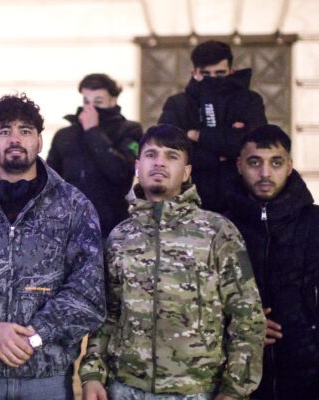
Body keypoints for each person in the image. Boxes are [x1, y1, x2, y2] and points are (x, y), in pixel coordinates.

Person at [0, 93, 106, 400]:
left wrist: (36, 336)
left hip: (46, 377)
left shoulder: (73, 207)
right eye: (5, 131)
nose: (15, 139)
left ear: (39, 142)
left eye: (25, 131)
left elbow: (89, 292)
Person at [80, 124, 265, 400]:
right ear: (137, 167)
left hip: (197, 391)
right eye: (151, 154)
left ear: (186, 172)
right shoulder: (120, 237)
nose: (159, 162)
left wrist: (234, 391)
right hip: (126, 389)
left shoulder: (218, 233)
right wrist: (93, 374)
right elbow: (107, 314)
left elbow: (247, 316)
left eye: (171, 156)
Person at [225, 125, 319, 400]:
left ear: (289, 166)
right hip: (240, 379)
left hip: (309, 377)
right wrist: (244, 324)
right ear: (240, 165)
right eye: (255, 163)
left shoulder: (314, 224)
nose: (265, 173)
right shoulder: (222, 229)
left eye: (276, 163)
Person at [159, 40, 267, 213]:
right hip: (188, 203)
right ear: (194, 73)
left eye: (220, 73)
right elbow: (168, 152)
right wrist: (222, 154)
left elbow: (255, 147)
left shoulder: (250, 101)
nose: (213, 79)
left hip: (241, 201)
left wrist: (197, 136)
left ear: (231, 71)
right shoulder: (178, 104)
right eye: (206, 74)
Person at [47, 73, 143, 237]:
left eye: (98, 102)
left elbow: (121, 173)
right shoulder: (65, 135)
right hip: (71, 224)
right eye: (86, 101)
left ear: (113, 100)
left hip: (112, 225)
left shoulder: (129, 130)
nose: (91, 108)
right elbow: (49, 178)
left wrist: (93, 131)